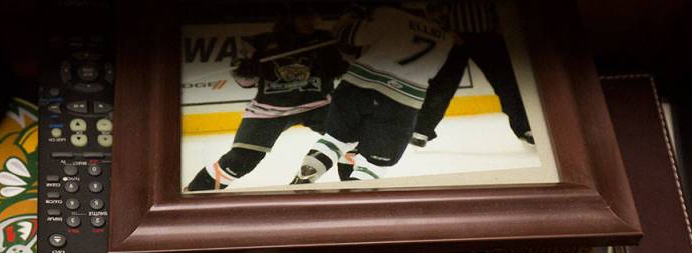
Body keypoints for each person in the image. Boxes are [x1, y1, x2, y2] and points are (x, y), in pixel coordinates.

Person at [185, 5, 347, 192]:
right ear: (289, 18)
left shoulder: (324, 40)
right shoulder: (259, 43)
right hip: (269, 110)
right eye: (304, 17)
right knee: (240, 160)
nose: (311, 21)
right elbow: (244, 82)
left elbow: (344, 64)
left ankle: (356, 192)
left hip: (318, 105)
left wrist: (337, 65)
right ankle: (194, 194)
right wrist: (246, 71)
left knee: (352, 144)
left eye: (312, 16)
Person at [292, 2, 454, 184]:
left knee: (335, 140)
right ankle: (352, 205)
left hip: (355, 87)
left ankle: (307, 174)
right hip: (400, 101)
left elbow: (345, 35)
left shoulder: (390, 13)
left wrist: (354, 11)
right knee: (375, 165)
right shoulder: (446, 40)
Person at [410, 0, 534, 148]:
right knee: (442, 86)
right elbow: (433, 7)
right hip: (453, 37)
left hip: (487, 35)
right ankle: (421, 130)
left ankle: (525, 127)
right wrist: (444, 30)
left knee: (507, 83)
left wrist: (499, 27)